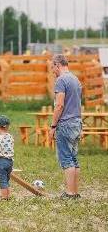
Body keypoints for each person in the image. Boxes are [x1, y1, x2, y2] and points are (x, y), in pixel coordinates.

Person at [49, 54, 82, 199]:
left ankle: (69, 193)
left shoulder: (61, 80)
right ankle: (75, 192)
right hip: (77, 122)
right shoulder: (75, 79)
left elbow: (60, 105)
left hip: (66, 124)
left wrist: (53, 126)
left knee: (67, 159)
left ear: (57, 64)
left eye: (52, 67)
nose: (52, 70)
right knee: (74, 159)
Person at [0, 115, 14, 200]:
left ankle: (4, 197)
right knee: (6, 180)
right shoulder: (10, 136)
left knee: (2, 180)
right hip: (10, 162)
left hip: (1, 161)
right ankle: (7, 195)